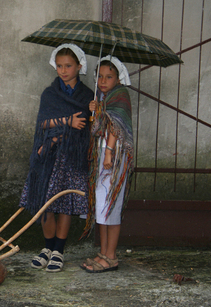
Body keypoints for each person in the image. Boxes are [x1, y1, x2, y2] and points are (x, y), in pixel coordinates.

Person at [19, 43, 94, 273]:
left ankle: (59, 251)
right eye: (59, 66)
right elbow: (42, 124)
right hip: (49, 156)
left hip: (72, 159)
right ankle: (46, 248)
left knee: (64, 205)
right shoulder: (50, 94)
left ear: (79, 66)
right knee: (45, 204)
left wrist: (95, 110)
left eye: (68, 65)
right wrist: (66, 122)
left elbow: (90, 127)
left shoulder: (88, 96)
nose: (63, 70)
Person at [80, 55, 134, 273]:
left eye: (109, 76)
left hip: (113, 156)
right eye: (100, 76)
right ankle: (103, 253)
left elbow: (115, 126)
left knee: (111, 205)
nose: (103, 80)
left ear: (118, 78)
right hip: (103, 155)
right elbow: (98, 125)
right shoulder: (103, 98)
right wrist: (95, 108)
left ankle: (111, 256)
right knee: (101, 206)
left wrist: (109, 153)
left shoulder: (120, 96)